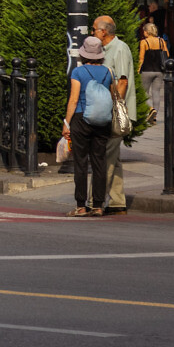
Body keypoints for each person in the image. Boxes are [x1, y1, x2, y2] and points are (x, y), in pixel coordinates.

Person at [63, 35, 116, 217]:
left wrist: (66, 122)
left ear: (83, 54)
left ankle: (81, 205)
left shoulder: (78, 72)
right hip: (102, 121)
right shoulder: (109, 72)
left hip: (81, 118)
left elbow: (74, 99)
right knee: (99, 162)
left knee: (81, 162)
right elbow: (112, 96)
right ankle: (99, 205)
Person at [93, 16, 134, 215]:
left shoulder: (119, 48)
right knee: (113, 156)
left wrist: (114, 107)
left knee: (105, 156)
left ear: (104, 32)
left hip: (115, 111)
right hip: (112, 109)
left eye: (94, 29)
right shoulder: (108, 49)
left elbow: (123, 82)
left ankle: (96, 200)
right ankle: (118, 201)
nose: (92, 33)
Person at [138, 22, 170, 127]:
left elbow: (141, 58)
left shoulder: (144, 42)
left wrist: (137, 69)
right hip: (159, 70)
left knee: (144, 92)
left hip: (147, 70)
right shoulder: (161, 41)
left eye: (144, 31)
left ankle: (150, 109)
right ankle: (155, 117)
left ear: (147, 32)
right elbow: (167, 54)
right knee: (156, 92)